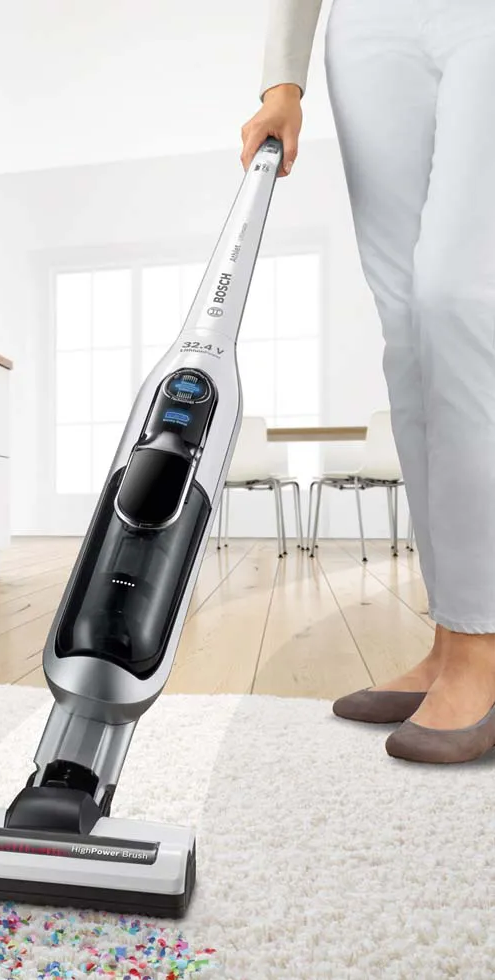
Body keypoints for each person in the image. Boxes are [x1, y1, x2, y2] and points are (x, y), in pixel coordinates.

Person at [240, 0, 495, 764]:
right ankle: (452, 637)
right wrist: (280, 81)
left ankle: (482, 647)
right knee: (408, 339)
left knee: (455, 299)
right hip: (366, 25)